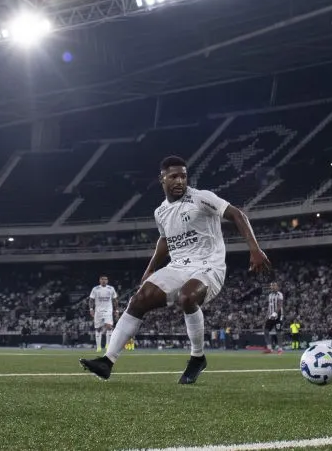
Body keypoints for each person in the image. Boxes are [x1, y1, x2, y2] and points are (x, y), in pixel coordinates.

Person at [80, 155, 271, 384]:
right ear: (162, 179)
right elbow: (165, 240)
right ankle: (107, 360)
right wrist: (150, 269)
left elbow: (237, 214)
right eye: (174, 176)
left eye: (183, 176)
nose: (179, 180)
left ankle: (197, 358)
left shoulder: (201, 198)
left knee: (187, 298)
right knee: (140, 299)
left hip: (209, 266)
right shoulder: (160, 212)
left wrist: (255, 249)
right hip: (178, 266)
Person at [88, 275, 118, 353]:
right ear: (99, 280)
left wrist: (117, 310)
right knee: (98, 329)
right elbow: (91, 300)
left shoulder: (111, 288)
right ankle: (98, 347)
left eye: (105, 279)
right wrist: (91, 309)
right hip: (98, 311)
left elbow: (115, 300)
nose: (104, 280)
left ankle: (108, 345)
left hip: (108, 310)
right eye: (102, 279)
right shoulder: (95, 289)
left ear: (107, 281)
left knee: (109, 327)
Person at [264, 281, 284, 354]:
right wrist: (267, 315)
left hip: (278, 316)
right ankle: (269, 348)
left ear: (277, 286)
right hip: (270, 316)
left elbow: (280, 305)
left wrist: (275, 313)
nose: (272, 287)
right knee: (266, 330)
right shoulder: (270, 295)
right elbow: (270, 306)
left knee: (278, 332)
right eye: (271, 286)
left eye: (274, 285)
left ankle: (280, 349)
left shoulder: (279, 294)